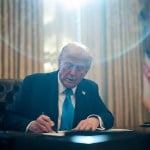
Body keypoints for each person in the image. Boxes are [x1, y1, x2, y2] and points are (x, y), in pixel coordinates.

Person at [3, 42, 114, 133]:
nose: (73, 73)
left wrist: (95, 120)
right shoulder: (34, 83)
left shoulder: (90, 87)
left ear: (86, 71)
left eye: (79, 68)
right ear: (59, 63)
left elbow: (108, 116)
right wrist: (32, 125)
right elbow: (9, 118)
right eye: (69, 65)